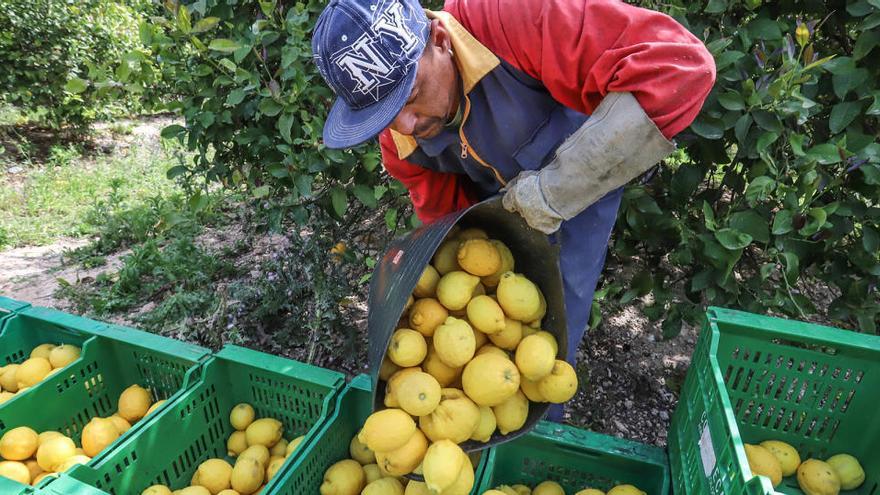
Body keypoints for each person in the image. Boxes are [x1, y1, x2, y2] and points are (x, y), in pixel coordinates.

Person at [312, 0, 714, 418]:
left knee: (555, 330)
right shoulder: (401, 144)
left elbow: (681, 68)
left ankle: (544, 433)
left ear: (441, 41)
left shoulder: (513, 16)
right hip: (500, 209)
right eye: (386, 115)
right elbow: (450, 224)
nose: (407, 125)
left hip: (579, 178)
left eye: (411, 96)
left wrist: (555, 191)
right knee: (505, 328)